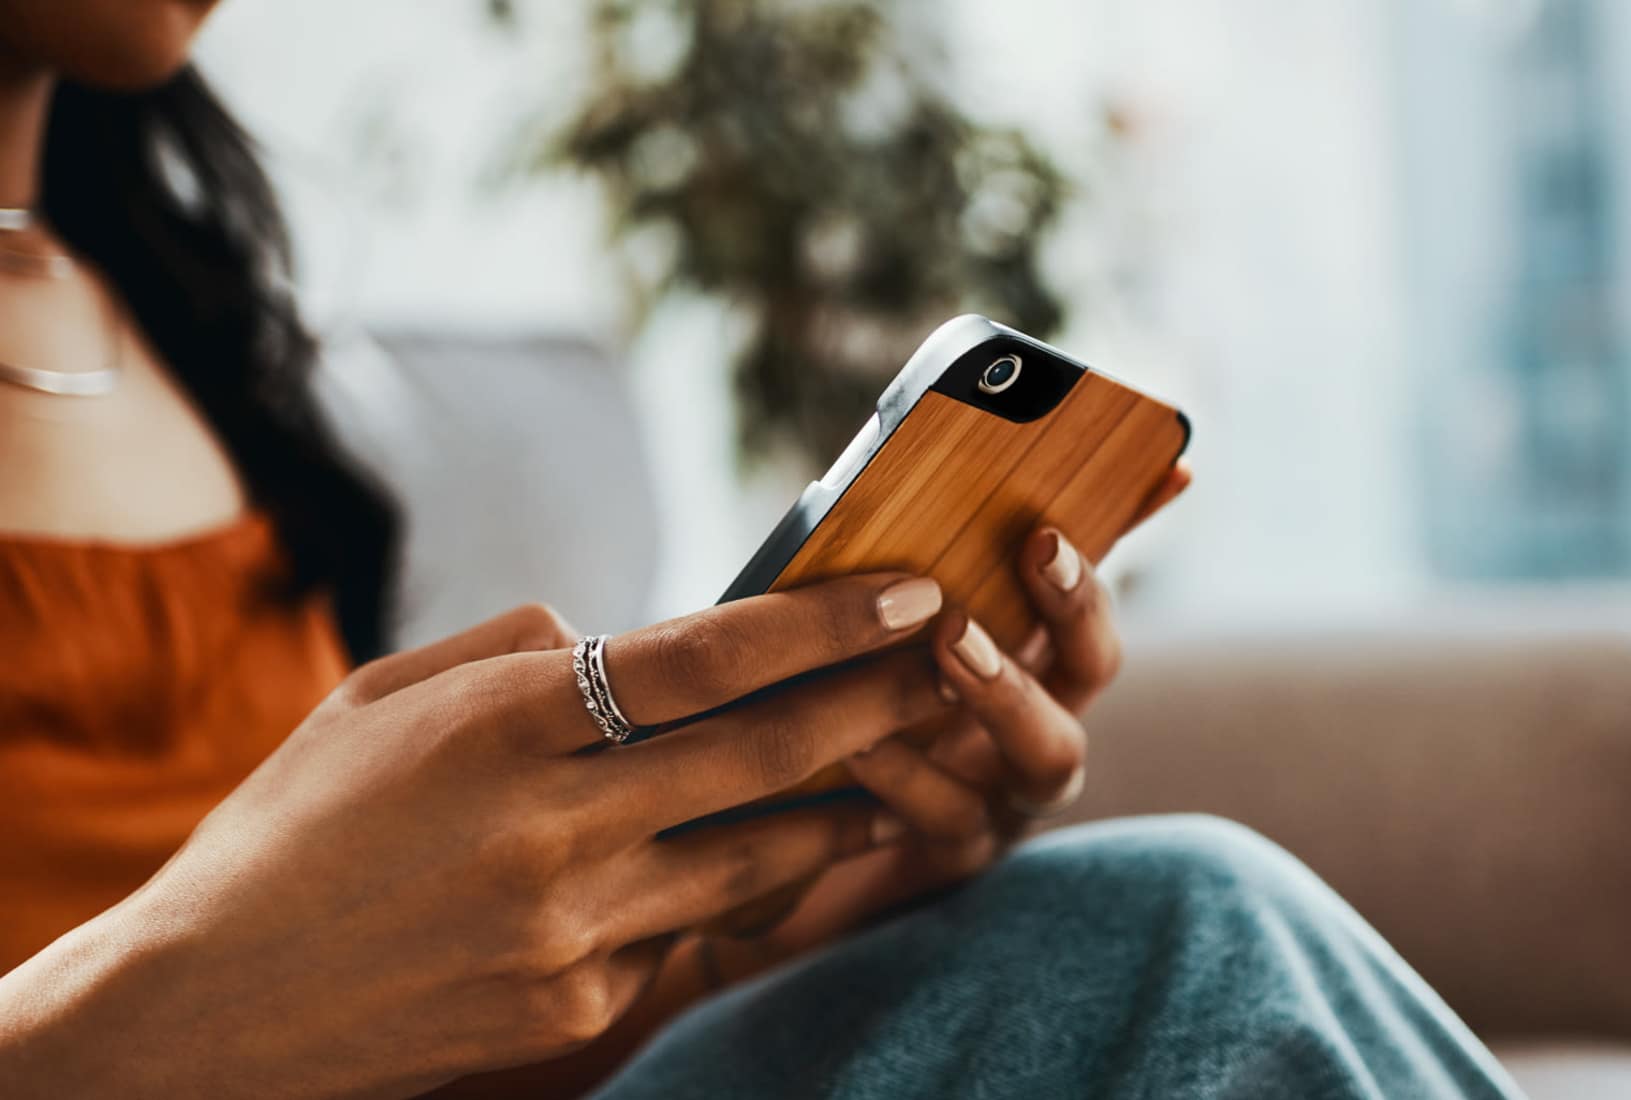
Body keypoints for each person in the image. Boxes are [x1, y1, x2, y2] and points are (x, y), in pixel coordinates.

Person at [0, 4, 1524, 1098]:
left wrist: (775, 892)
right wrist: (146, 1017)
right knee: (1187, 930)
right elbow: (237, 1013)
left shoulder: (178, 321)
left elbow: (393, 1042)